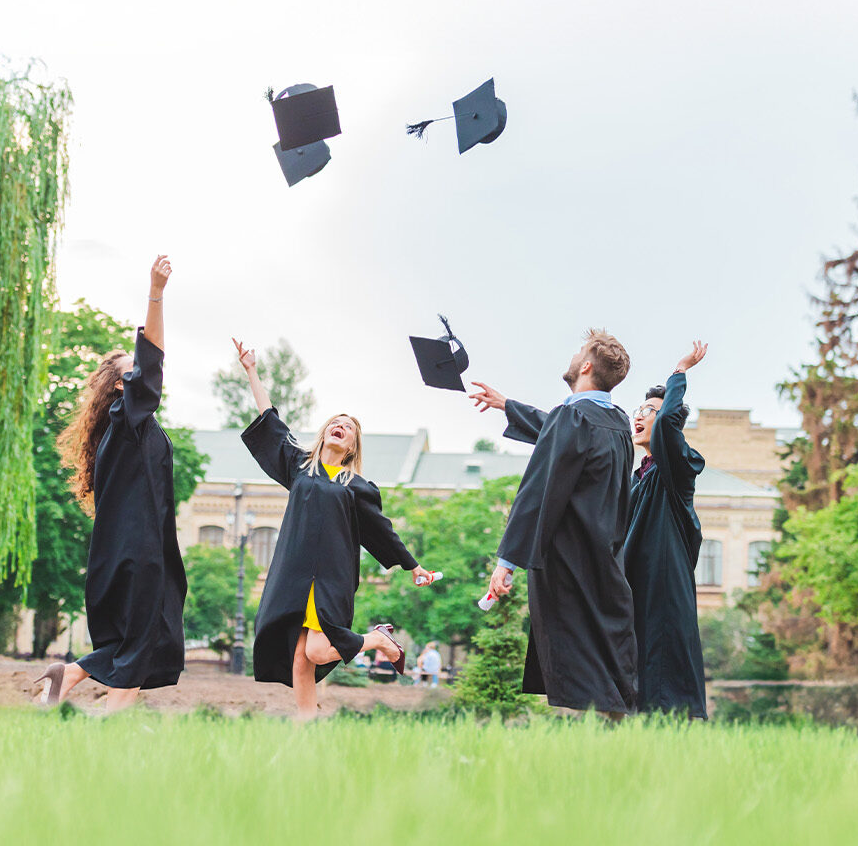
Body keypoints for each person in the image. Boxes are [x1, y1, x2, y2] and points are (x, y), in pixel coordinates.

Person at [232, 339, 439, 719]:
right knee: (300, 657)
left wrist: (413, 566)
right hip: (293, 575)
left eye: (348, 428)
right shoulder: (299, 465)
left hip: (330, 577)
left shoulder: (356, 487)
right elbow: (270, 422)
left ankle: (378, 639)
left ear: (352, 447)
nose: (340, 427)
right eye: (335, 423)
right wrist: (252, 371)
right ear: (325, 433)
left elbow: (382, 531)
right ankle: (306, 722)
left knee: (315, 651)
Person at [34, 256, 185, 710]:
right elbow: (153, 358)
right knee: (145, 634)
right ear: (121, 386)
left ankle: (83, 690)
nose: (142, 373)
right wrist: (156, 293)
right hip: (138, 550)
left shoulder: (122, 428)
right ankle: (100, 704)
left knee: (145, 635)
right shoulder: (128, 419)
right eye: (132, 370)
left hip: (129, 549)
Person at [468, 329, 638, 717]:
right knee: (605, 652)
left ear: (587, 366)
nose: (574, 356)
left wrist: (507, 561)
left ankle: (605, 732)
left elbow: (538, 489)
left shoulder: (573, 417)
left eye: (579, 352)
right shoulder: (616, 422)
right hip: (606, 559)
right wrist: (507, 405)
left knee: (575, 653)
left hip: (568, 559)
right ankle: (617, 731)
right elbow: (561, 435)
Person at [623, 341, 711, 719]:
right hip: (635, 589)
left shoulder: (675, 470)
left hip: (665, 590)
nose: (640, 416)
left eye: (649, 411)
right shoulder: (635, 478)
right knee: (635, 672)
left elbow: (670, 423)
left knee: (667, 680)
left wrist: (679, 372)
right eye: (639, 410)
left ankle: (675, 740)